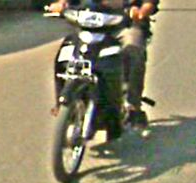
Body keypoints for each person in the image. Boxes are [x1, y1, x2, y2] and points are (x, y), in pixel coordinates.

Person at [48, 0, 159, 130]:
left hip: (124, 24)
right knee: (66, 52)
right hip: (91, 25)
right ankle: (63, 101)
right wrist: (61, 4)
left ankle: (133, 106)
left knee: (132, 48)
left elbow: (149, 3)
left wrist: (141, 12)